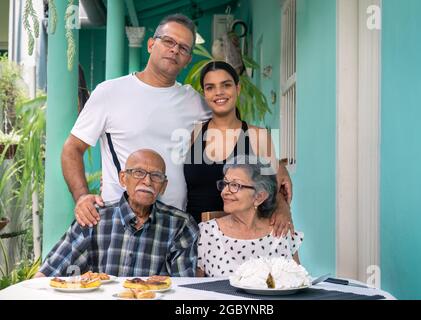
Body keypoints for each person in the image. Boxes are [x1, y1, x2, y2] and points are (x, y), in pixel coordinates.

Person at [62, 14, 211, 228]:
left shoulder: (194, 102)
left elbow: (232, 135)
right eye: (168, 41)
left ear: (187, 60)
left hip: (174, 225)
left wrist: (277, 192)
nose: (175, 50)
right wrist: (82, 197)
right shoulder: (110, 92)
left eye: (184, 48)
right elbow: (72, 149)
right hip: (119, 221)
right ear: (151, 44)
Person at [35, 149, 198, 278]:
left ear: (163, 186)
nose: (147, 181)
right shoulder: (93, 217)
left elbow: (182, 288)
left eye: (156, 176)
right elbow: (49, 273)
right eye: (138, 173)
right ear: (123, 179)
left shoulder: (180, 225)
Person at [183, 61, 293, 236]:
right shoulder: (194, 134)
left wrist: (283, 208)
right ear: (205, 94)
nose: (219, 92)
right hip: (194, 236)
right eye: (210, 87)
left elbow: (273, 187)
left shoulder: (258, 136)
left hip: (243, 239)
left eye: (226, 85)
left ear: (237, 89)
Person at [196, 156, 303, 277]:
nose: (224, 192)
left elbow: (299, 282)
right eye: (225, 184)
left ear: (259, 197)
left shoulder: (281, 230)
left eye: (235, 185)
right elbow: (195, 289)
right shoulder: (206, 233)